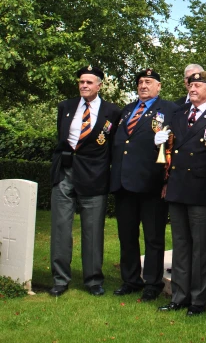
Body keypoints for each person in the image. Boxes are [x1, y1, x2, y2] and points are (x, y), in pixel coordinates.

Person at [158, 71, 206, 316]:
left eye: (198, 85)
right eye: (191, 84)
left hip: (202, 189)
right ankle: (179, 296)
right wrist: (160, 142)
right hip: (177, 187)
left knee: (201, 249)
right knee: (181, 245)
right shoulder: (179, 114)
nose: (192, 88)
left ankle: (198, 300)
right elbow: (169, 150)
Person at [49, 65, 120, 297]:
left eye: (89, 82)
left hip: (94, 177)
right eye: (81, 82)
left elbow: (112, 148)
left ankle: (93, 280)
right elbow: (61, 140)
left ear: (99, 85)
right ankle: (60, 279)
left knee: (92, 231)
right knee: (60, 228)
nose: (84, 86)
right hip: (65, 174)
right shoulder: (66, 107)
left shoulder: (112, 111)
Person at [110, 69, 179, 301]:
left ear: (159, 86)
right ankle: (130, 279)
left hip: (152, 182)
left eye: (148, 82)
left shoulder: (170, 110)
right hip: (124, 183)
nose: (143, 86)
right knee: (127, 235)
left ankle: (152, 281)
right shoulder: (127, 110)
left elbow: (174, 145)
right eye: (140, 82)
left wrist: (168, 178)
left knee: (153, 236)